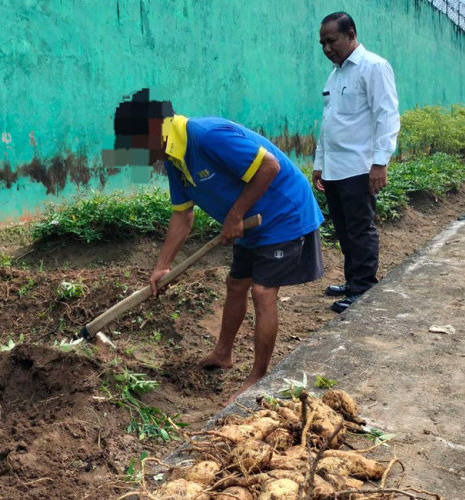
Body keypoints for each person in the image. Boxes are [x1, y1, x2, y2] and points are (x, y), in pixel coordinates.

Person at [110, 89, 325, 397]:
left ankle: (258, 377)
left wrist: (235, 215)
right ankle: (223, 354)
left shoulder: (207, 135)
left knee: (262, 291)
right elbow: (182, 217)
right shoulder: (173, 159)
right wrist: (162, 267)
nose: (138, 155)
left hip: (283, 213)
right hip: (250, 221)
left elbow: (269, 166)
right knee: (236, 284)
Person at [313, 12, 400, 313]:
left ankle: (363, 288)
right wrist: (319, 162)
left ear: (351, 34)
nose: (326, 48)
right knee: (344, 228)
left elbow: (386, 116)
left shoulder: (373, 67)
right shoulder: (335, 75)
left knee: (360, 229)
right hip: (335, 168)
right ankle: (352, 282)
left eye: (331, 41)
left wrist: (380, 163)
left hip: (360, 167)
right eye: (322, 43)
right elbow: (328, 123)